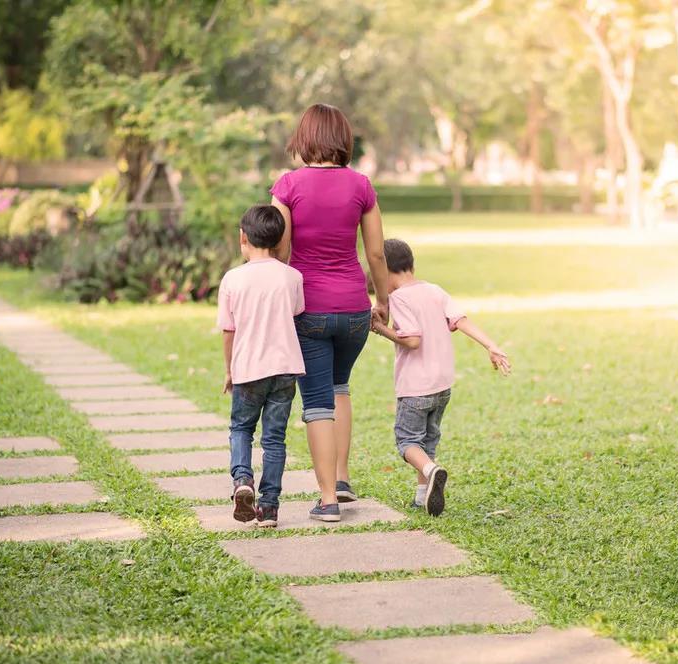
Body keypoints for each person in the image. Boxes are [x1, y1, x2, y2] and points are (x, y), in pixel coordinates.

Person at [270, 103, 389, 522]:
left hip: (310, 310)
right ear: (343, 140)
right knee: (341, 387)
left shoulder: (287, 186)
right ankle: (341, 477)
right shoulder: (361, 185)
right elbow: (375, 251)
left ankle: (327, 500)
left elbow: (281, 251)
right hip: (355, 310)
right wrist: (384, 300)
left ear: (304, 140)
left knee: (317, 401)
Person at [370, 239, 511, 516]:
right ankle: (422, 496)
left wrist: (379, 328)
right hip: (443, 386)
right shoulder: (435, 290)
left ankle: (431, 469)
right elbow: (461, 320)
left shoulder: (399, 298)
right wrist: (491, 345)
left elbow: (411, 341)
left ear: (385, 270)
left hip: (415, 387)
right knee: (428, 442)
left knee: (408, 442)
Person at [217, 205, 305, 528]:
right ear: (279, 239)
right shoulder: (292, 276)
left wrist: (229, 369)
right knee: (274, 439)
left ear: (243, 238)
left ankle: (242, 480)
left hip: (248, 369)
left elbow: (229, 330)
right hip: (285, 369)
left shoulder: (232, 279)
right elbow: (296, 314)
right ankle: (269, 508)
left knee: (241, 428)